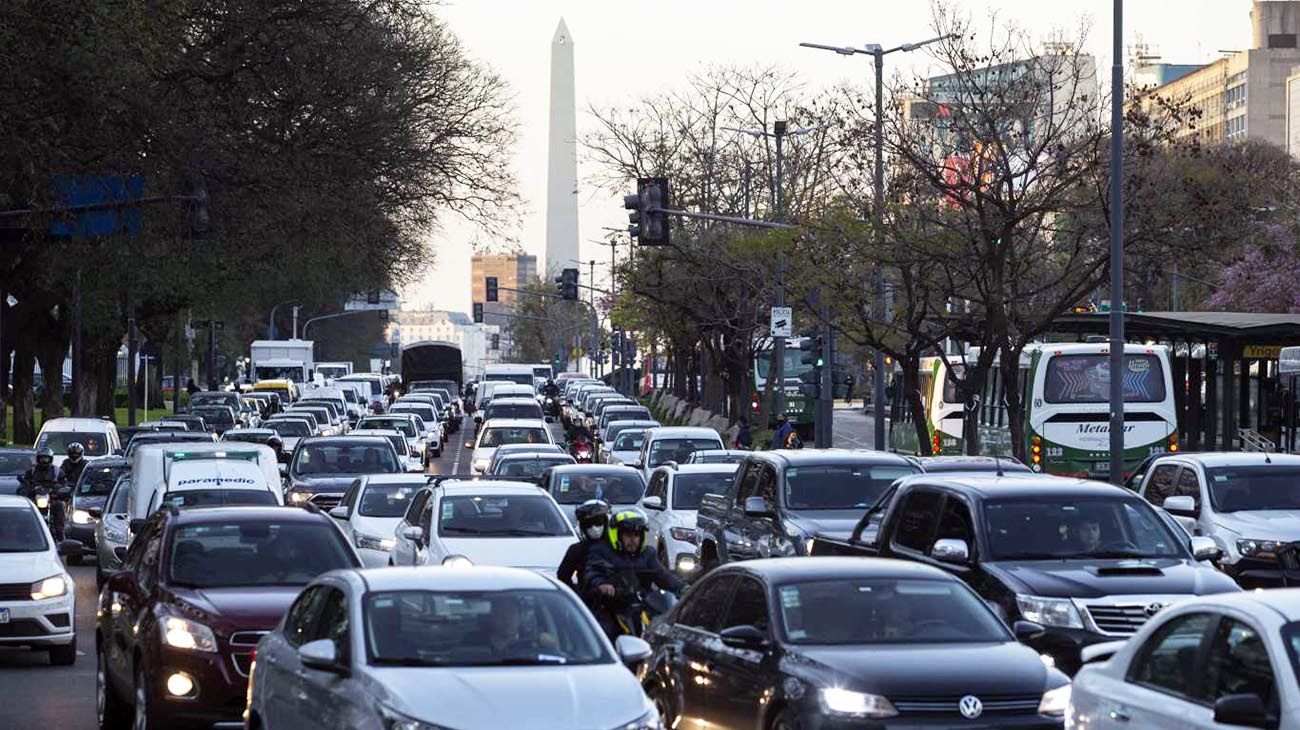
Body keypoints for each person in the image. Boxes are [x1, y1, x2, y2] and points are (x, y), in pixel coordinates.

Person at [583, 510, 684, 639]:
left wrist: (684, 589)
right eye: (628, 535)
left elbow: (663, 576)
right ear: (617, 535)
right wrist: (602, 583)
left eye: (636, 535)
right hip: (613, 606)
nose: (633, 540)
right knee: (605, 633)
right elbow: (593, 571)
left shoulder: (648, 554)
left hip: (645, 606)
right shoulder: (601, 551)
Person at [557, 500, 610, 593]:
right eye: (588, 524)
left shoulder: (617, 546)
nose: (594, 528)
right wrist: (578, 594)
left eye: (598, 522)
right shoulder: (576, 550)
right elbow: (563, 577)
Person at [20, 448, 63, 539]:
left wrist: (58, 490)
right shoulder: (31, 471)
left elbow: (63, 483)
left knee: (59, 505)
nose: (44, 460)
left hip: (51, 498)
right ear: (38, 459)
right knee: (24, 510)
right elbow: (24, 484)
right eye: (42, 458)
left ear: (50, 459)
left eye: (46, 458)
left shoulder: (57, 471)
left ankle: (60, 533)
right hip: (35, 498)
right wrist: (25, 490)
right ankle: (24, 532)